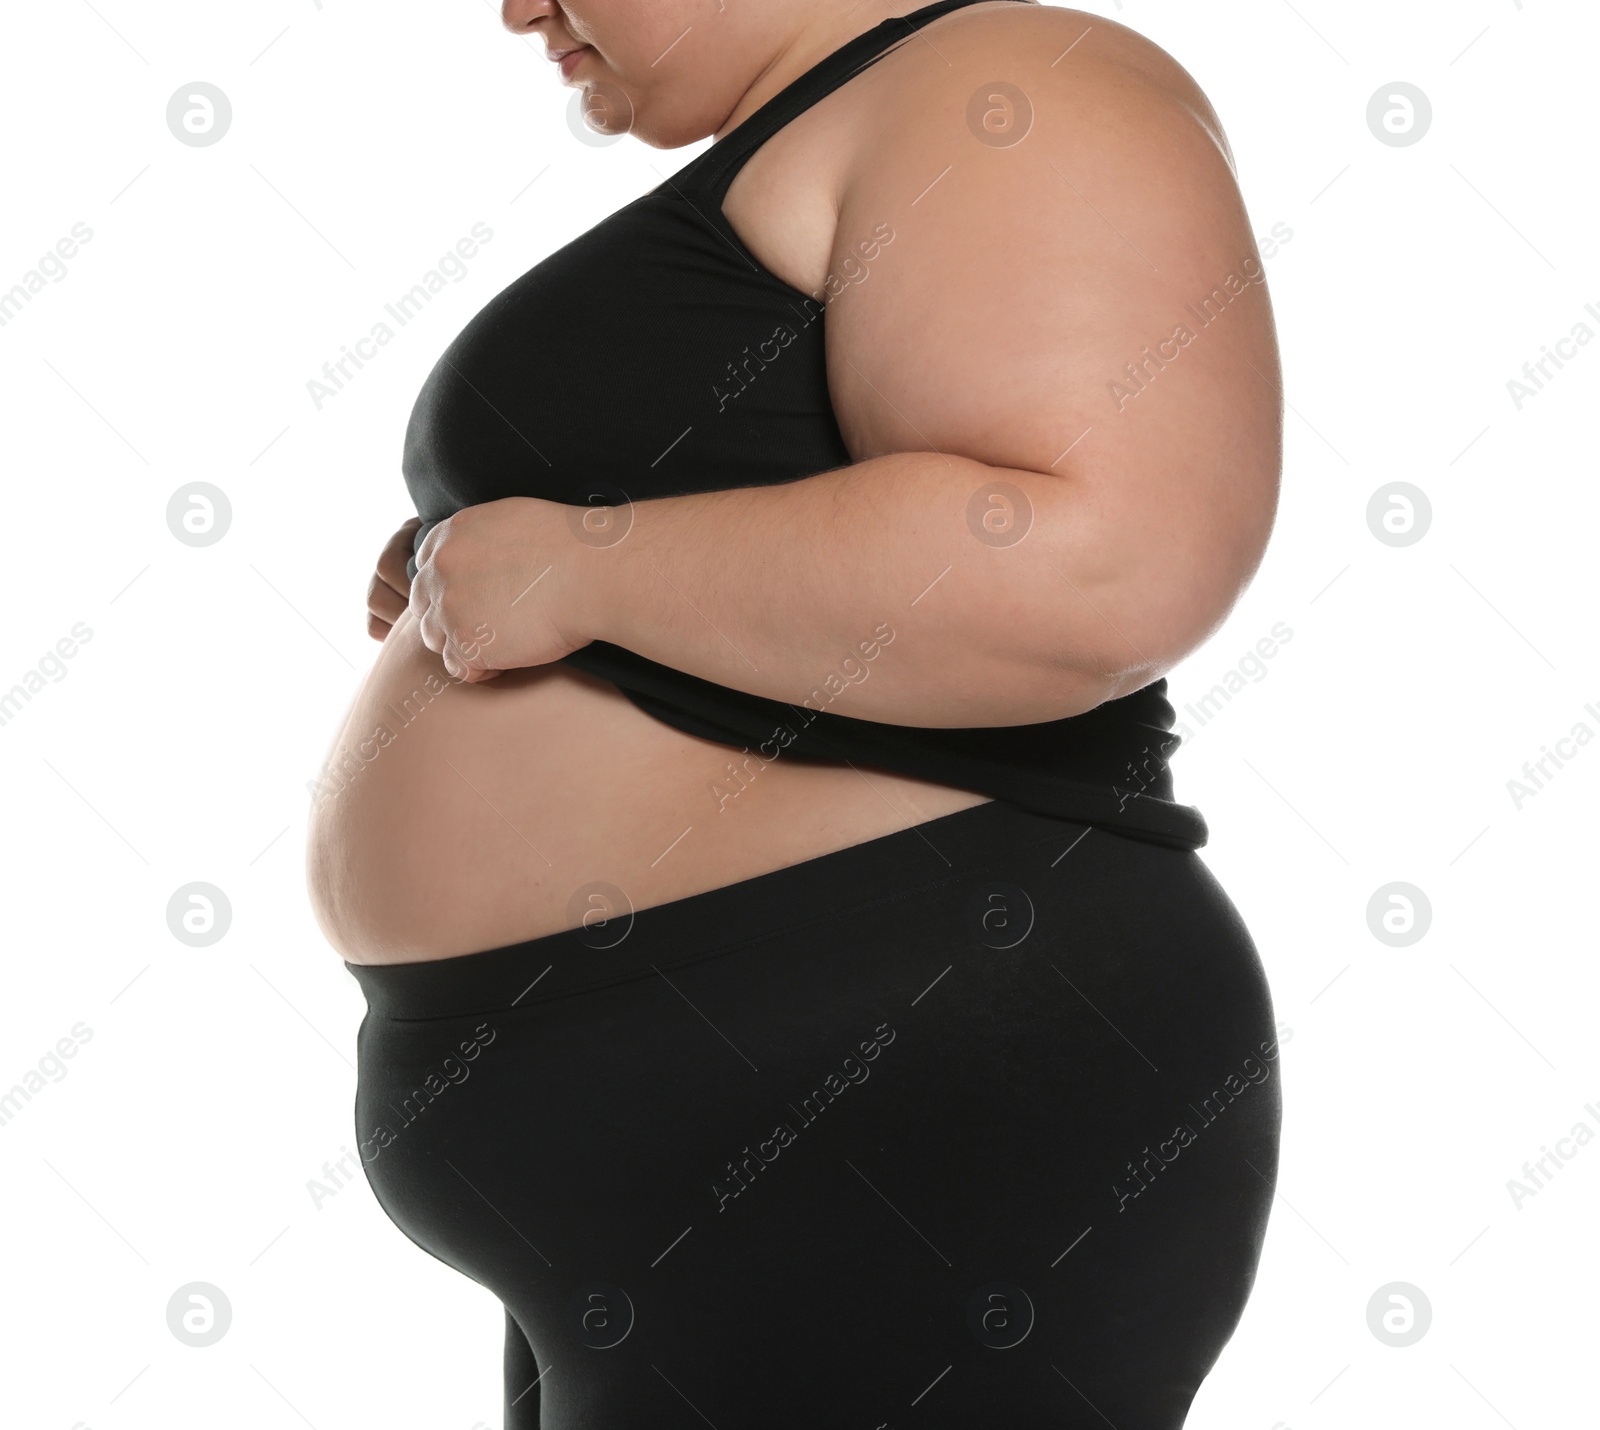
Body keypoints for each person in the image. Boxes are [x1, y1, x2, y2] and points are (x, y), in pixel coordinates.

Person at [310, 1, 1285, 1424]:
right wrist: (490, 573)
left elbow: (1098, 560)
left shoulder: (1007, 85)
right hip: (718, 1140)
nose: (514, 3)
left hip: (889, 1095)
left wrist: (591, 569)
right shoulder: (837, 134)